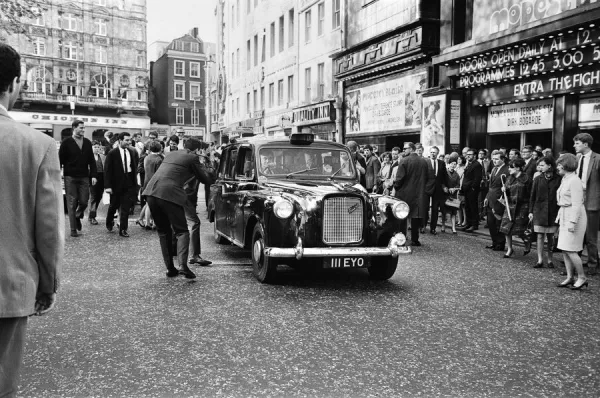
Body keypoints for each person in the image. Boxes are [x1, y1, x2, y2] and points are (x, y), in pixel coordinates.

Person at [0, 43, 63, 397]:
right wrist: (48, 282)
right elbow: (50, 229)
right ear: (12, 84)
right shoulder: (36, 145)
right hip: (8, 284)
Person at [143, 138, 215, 279]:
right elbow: (205, 179)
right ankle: (183, 266)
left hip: (151, 192)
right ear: (197, 149)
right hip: (169, 194)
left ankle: (170, 268)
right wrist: (209, 167)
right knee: (182, 231)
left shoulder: (170, 154)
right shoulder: (193, 157)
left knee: (163, 232)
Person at [59, 119, 98, 237]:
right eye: (81, 128)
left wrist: (94, 175)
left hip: (84, 176)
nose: (83, 130)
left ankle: (77, 215)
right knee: (71, 202)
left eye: (84, 128)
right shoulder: (66, 142)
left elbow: (91, 160)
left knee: (84, 201)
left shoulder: (87, 142)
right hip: (70, 176)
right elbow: (60, 159)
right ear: (74, 128)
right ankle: (73, 230)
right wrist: (59, 173)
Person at [556, 154, 588, 289]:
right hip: (565, 214)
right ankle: (570, 277)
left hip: (574, 216)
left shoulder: (574, 180)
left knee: (571, 249)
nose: (557, 167)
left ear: (565, 165)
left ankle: (582, 277)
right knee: (565, 248)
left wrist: (572, 222)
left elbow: (576, 204)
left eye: (559, 164)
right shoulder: (565, 179)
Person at [393, 142, 434, 246]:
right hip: (419, 194)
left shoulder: (404, 161)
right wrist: (426, 191)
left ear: (411, 149)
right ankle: (415, 239)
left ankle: (401, 239)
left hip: (404, 193)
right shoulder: (424, 162)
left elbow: (399, 179)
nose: (403, 150)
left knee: (402, 216)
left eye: (405, 148)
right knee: (416, 217)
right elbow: (431, 177)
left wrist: (396, 187)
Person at [104, 132, 139, 237]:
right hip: (116, 183)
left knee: (125, 207)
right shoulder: (112, 153)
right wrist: (108, 186)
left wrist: (134, 185)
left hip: (128, 182)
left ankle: (123, 229)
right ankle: (109, 221)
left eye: (130, 140)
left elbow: (134, 168)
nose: (129, 142)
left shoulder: (131, 152)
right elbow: (107, 170)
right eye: (126, 140)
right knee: (114, 205)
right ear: (120, 140)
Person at [574, 132, 600, 275]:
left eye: (577, 143)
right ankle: (575, 263)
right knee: (578, 233)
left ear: (586, 144)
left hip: (592, 200)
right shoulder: (577, 158)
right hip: (578, 199)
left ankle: (592, 264)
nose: (574, 146)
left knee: (591, 236)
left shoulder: (598, 159)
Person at [528, 156, 561, 268]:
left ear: (549, 165)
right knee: (540, 236)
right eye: (539, 165)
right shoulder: (538, 179)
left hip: (553, 211)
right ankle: (540, 260)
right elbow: (532, 196)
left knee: (551, 237)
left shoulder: (559, 179)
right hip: (539, 211)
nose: (540, 167)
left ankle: (550, 260)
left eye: (542, 165)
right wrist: (530, 211)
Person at [499, 158, 532, 258]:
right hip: (510, 207)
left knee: (521, 230)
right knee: (506, 229)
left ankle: (527, 243)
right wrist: (504, 190)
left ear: (518, 168)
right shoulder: (510, 178)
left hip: (522, 207)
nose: (509, 169)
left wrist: (530, 210)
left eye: (511, 167)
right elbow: (507, 192)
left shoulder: (527, 179)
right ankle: (509, 248)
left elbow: (531, 195)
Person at [484, 150, 509, 251]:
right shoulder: (494, 169)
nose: (494, 161)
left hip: (499, 200)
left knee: (498, 222)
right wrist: (486, 197)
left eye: (497, 159)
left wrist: (502, 197)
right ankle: (494, 242)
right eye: (493, 159)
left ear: (502, 159)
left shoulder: (506, 170)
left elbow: (506, 185)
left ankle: (500, 244)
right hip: (491, 199)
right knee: (491, 223)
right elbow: (490, 186)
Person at [137, 141, 163, 229]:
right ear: (159, 149)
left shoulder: (147, 157)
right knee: (155, 205)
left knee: (148, 203)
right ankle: (154, 223)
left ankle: (147, 222)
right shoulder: (159, 159)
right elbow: (159, 173)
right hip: (155, 183)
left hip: (146, 181)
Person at [427, 146, 448, 234]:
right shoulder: (426, 162)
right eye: (431, 152)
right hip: (427, 188)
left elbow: (444, 176)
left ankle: (433, 228)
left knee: (435, 209)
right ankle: (423, 226)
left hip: (438, 189)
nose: (433, 154)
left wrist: (445, 186)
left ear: (437, 153)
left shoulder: (442, 163)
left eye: (434, 152)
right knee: (425, 208)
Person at [461, 148, 483, 232]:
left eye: (470, 155)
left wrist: (473, 188)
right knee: (467, 207)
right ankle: (468, 223)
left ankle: (474, 224)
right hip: (467, 189)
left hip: (472, 189)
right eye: (467, 154)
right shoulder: (469, 164)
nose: (467, 156)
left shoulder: (477, 165)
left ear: (474, 156)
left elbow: (477, 178)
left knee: (473, 207)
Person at [88, 140, 106, 225]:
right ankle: (92, 217)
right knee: (94, 197)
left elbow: (106, 168)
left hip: (101, 178)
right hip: (92, 178)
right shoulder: (88, 157)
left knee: (99, 197)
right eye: (95, 147)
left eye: (98, 147)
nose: (97, 149)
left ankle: (91, 214)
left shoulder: (102, 157)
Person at [444, 156, 461, 234]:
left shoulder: (456, 174)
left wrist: (454, 189)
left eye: (455, 164)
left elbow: (458, 184)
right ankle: (443, 226)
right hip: (445, 194)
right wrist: (446, 188)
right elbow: (442, 183)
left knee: (453, 212)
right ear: (449, 164)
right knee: (444, 211)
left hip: (453, 195)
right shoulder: (445, 172)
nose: (453, 165)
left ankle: (453, 228)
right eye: (452, 164)